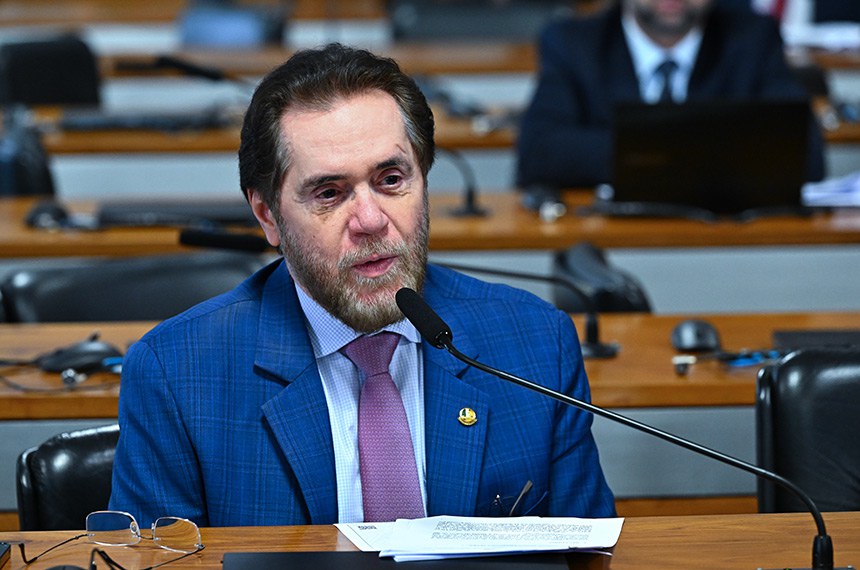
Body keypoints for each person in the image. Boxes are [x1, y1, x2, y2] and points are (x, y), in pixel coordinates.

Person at [108, 43, 616, 527]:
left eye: (391, 179)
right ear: (267, 214)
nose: (370, 220)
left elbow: (588, 555)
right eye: (329, 193)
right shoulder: (176, 374)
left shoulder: (534, 343)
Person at [516, 0, 826, 189]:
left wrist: (647, 156)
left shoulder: (754, 38)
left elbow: (805, 152)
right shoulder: (573, 42)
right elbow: (538, 153)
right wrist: (703, 155)